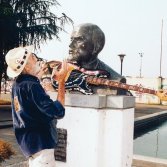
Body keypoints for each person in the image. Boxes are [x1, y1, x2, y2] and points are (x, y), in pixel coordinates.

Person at [5, 45, 69, 167]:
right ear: (26, 66)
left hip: (30, 146)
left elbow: (29, 107)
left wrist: (38, 77)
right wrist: (61, 81)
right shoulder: (32, 86)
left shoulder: (17, 85)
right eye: (33, 57)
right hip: (42, 146)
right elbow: (57, 111)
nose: (37, 59)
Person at [67, 23, 130, 95]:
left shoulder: (115, 79)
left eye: (79, 40)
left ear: (97, 46)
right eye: (71, 39)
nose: (70, 45)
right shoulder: (62, 71)